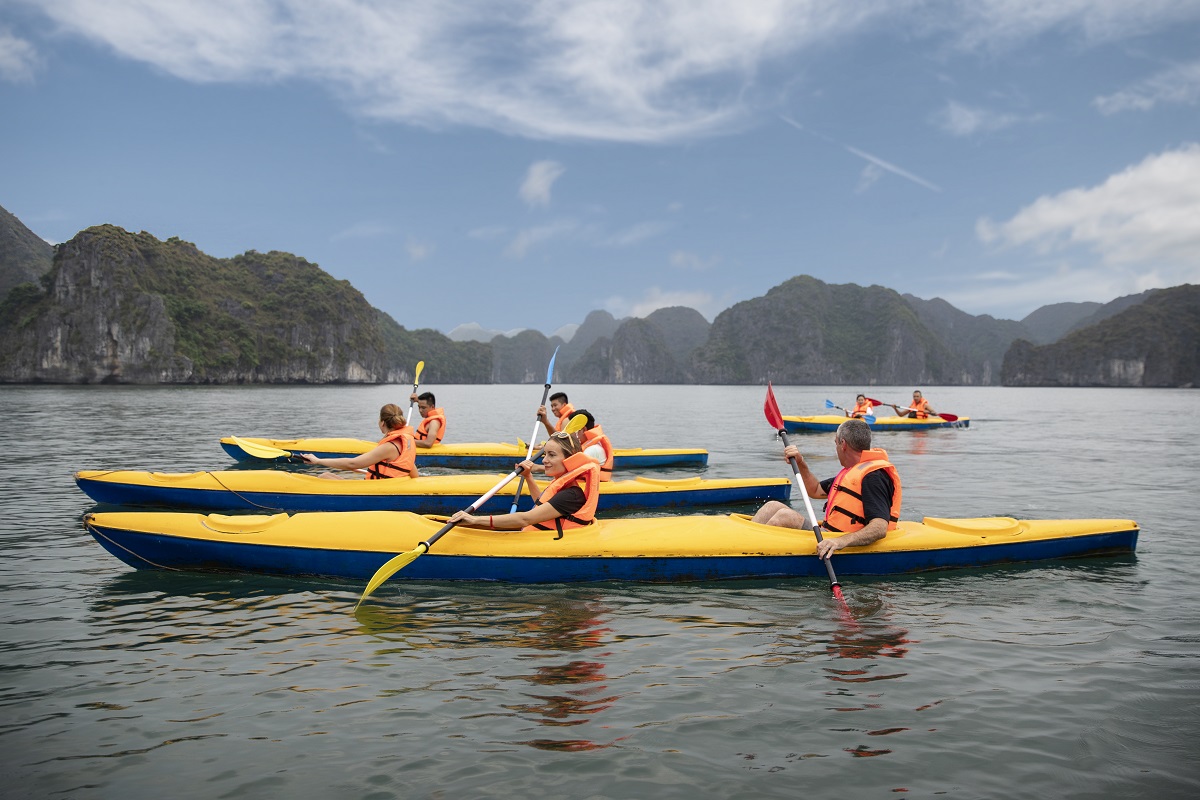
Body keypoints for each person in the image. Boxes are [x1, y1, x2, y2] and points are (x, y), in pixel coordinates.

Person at [751, 418, 901, 559]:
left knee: (785, 516)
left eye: (835, 443)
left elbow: (880, 527)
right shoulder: (852, 472)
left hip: (839, 542)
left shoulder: (873, 477)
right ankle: (746, 541)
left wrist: (840, 541)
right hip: (829, 534)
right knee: (772, 506)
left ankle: (752, 554)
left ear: (843, 444)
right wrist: (801, 462)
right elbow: (815, 490)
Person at [449, 430, 601, 537]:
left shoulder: (571, 495)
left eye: (551, 455)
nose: (544, 460)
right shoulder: (565, 486)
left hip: (546, 544)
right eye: (545, 454)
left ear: (571, 460)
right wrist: (528, 476)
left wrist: (475, 519)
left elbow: (525, 519)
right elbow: (541, 503)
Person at [299, 403, 418, 479]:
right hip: (388, 486)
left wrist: (318, 460)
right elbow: (413, 473)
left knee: (324, 477)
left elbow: (352, 464)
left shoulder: (389, 447)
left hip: (377, 492)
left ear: (382, 423)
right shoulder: (407, 443)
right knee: (327, 475)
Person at [529, 409, 614, 481]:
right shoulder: (585, 444)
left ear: (582, 430)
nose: (567, 434)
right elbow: (559, 443)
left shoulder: (593, 449)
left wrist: (537, 467)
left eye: (570, 430)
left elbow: (569, 469)